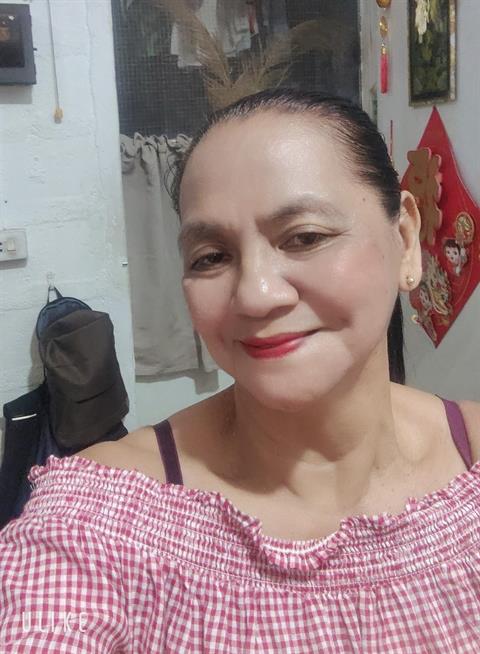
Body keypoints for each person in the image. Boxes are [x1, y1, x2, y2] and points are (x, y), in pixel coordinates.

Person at [1, 89, 480, 652]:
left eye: (305, 237)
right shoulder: (98, 525)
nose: (255, 295)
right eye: (211, 257)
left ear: (405, 241)